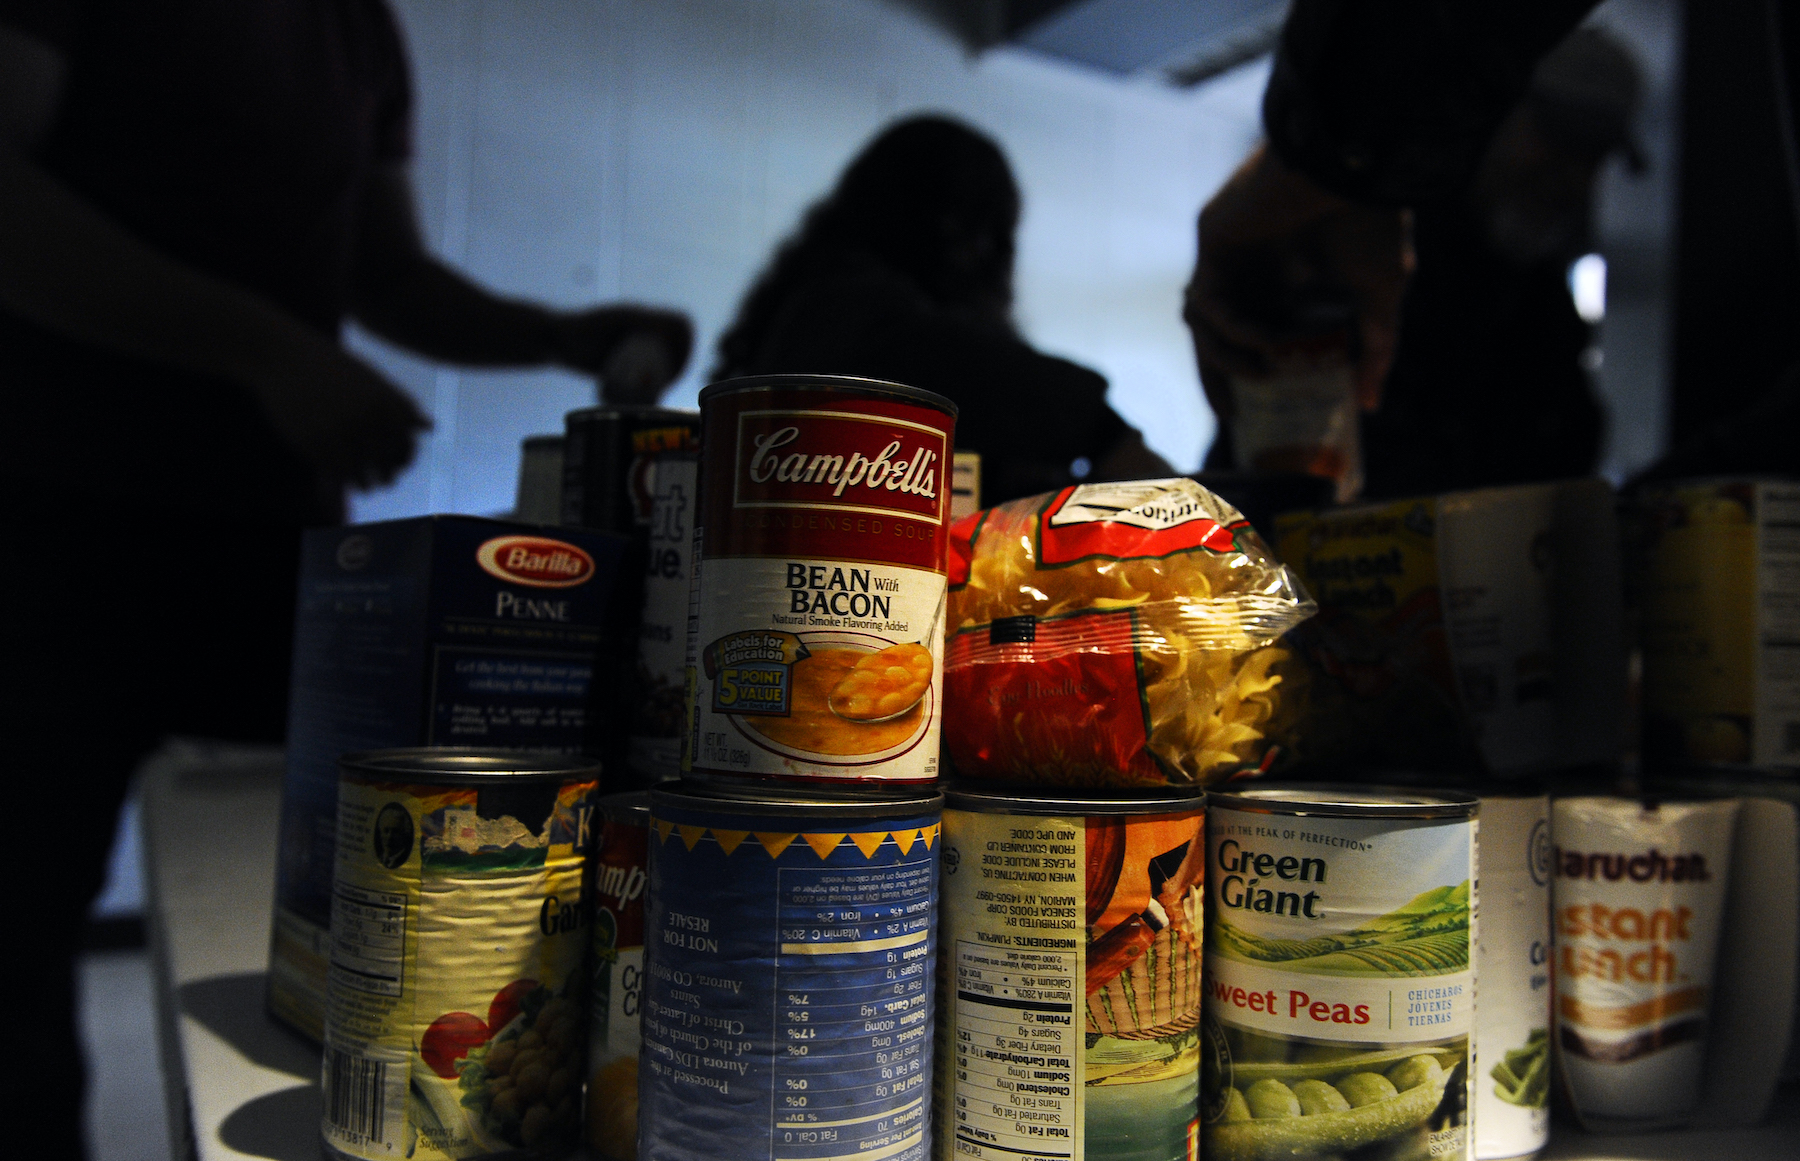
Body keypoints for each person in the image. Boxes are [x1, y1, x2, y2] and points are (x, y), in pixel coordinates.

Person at [0, 3, 689, 1153]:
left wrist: (562, 333)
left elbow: (390, 274)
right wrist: (268, 351)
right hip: (53, 517)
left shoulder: (356, 27)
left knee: (315, 906)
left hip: (277, 544)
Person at [1184, 0, 1800, 490]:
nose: (1569, 175)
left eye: (1592, 154)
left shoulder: (1544, 310)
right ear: (1483, 113)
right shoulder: (1366, 262)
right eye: (1556, 136)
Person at [712, 114, 1173, 505]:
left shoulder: (814, 298)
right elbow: (997, 378)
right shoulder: (859, 309)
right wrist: (1101, 427)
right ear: (966, 235)